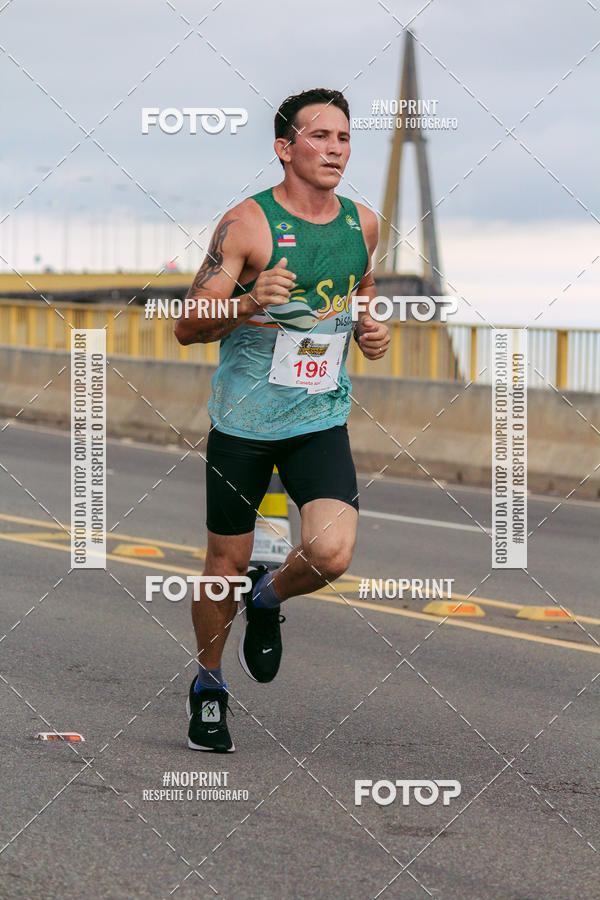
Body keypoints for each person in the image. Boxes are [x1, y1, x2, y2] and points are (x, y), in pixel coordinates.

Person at [175, 87, 390, 752]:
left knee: (332, 553)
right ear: (284, 147)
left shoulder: (365, 223)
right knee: (224, 564)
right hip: (243, 423)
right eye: (319, 136)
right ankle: (208, 684)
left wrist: (370, 327)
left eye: (344, 138)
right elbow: (186, 326)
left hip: (319, 417)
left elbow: (360, 288)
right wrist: (243, 305)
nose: (334, 149)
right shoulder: (246, 225)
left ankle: (267, 600)